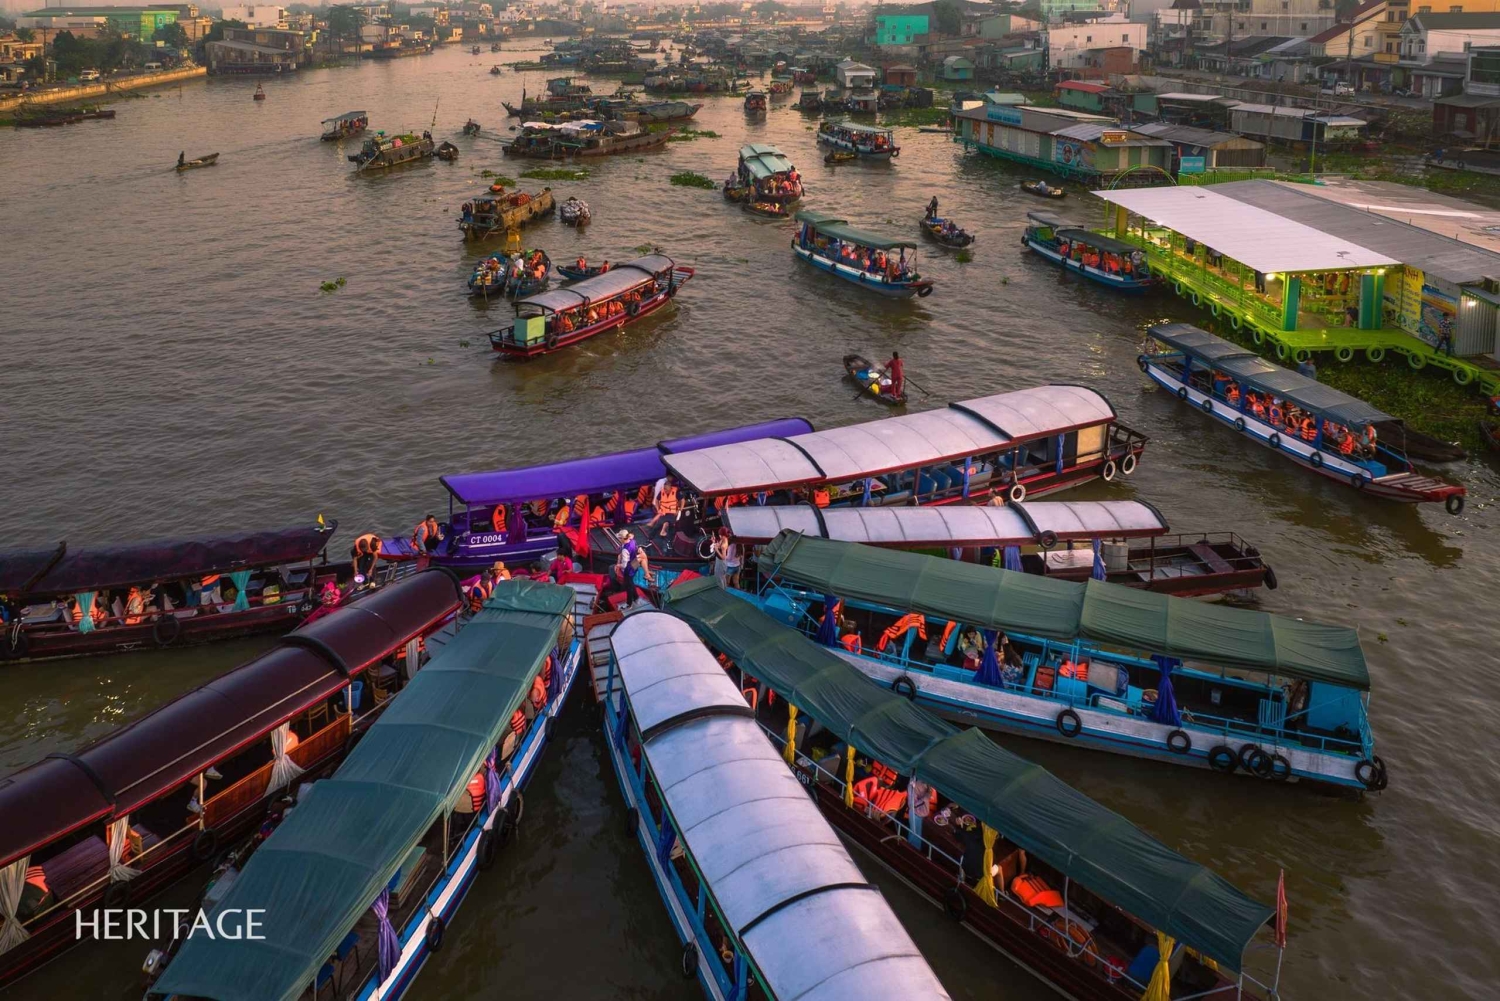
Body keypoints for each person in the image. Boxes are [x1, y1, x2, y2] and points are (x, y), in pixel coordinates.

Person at [647, 478, 680, 543]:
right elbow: (657, 500)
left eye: (666, 489)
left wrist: (679, 509)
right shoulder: (662, 492)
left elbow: (681, 500)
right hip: (663, 512)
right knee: (657, 525)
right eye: (664, 488)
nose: (665, 490)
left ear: (670, 488)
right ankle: (650, 538)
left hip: (672, 513)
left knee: (670, 526)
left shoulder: (675, 492)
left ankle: (669, 540)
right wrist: (658, 509)